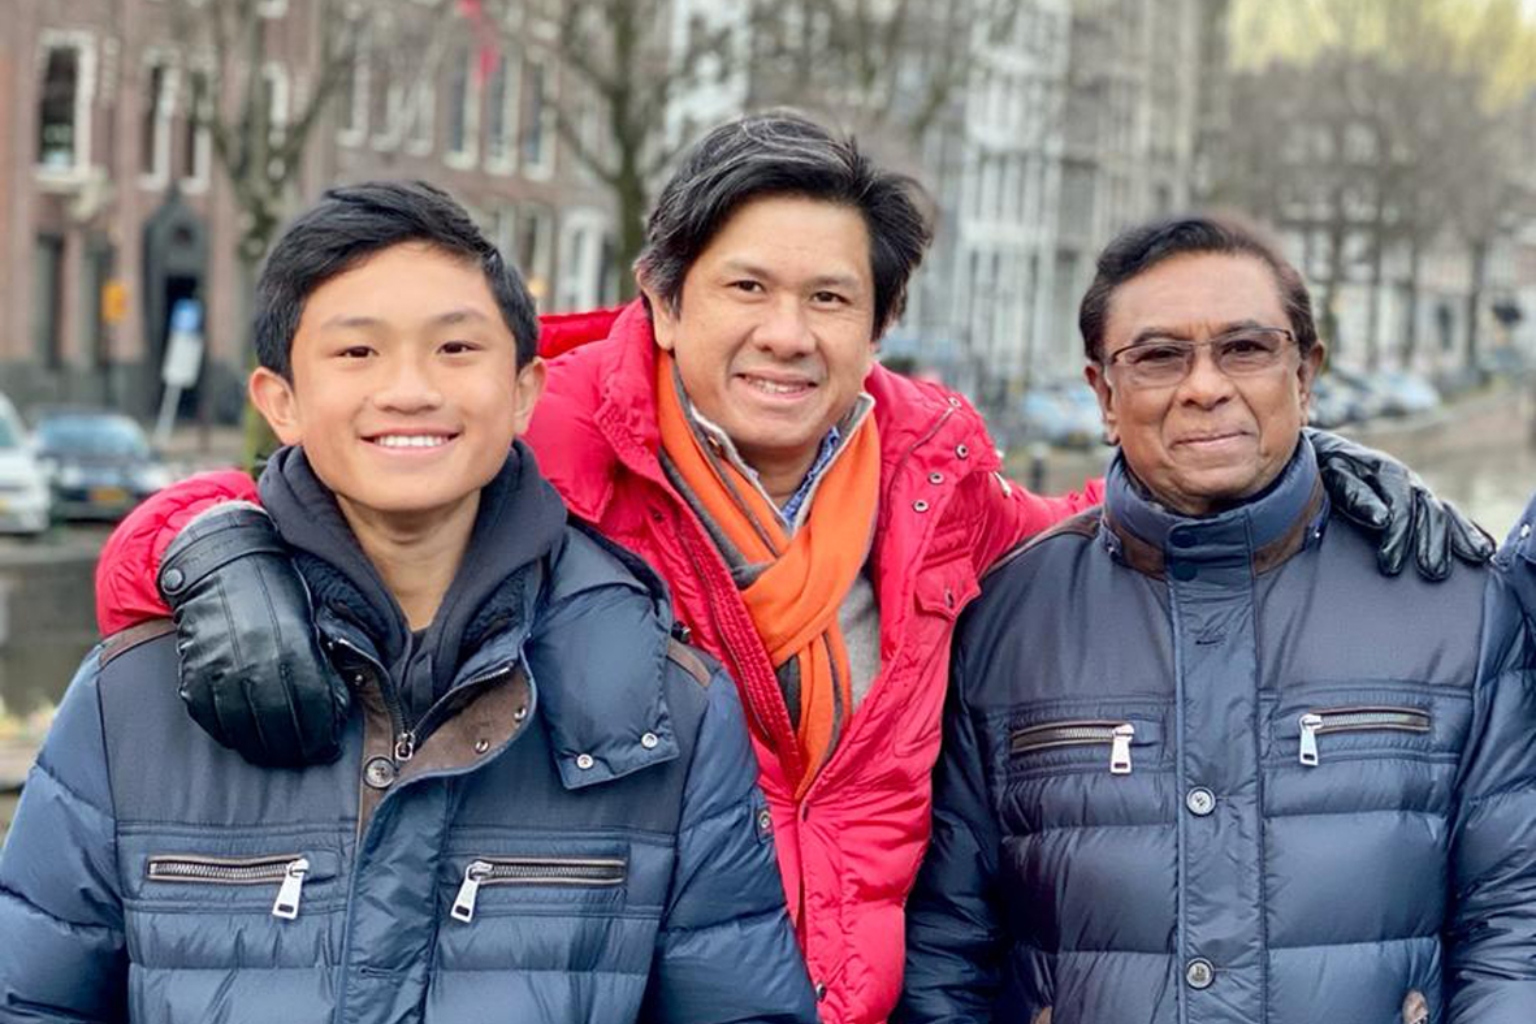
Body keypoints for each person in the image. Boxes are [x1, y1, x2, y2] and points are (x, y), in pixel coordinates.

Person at [89, 115, 1489, 1024]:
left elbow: (1112, 541)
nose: (788, 333)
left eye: (831, 298)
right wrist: (202, 540)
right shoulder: (550, 440)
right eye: (747, 288)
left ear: (877, 326)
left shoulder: (932, 475)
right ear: (664, 297)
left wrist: (1321, 477)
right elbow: (324, 489)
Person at [0, 181, 817, 1023]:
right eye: (357, 352)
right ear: (280, 401)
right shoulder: (131, 702)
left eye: (455, 348)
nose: (410, 389)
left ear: (524, 391)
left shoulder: (667, 710)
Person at [895, 215, 1536, 1024]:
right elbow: (948, 948)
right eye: (1159, 356)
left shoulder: (1457, 603)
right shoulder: (1006, 619)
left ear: (1305, 376)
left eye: (1245, 348)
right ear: (1104, 395)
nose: (1204, 386)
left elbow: (1514, 923)